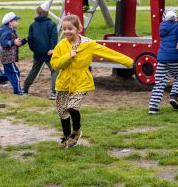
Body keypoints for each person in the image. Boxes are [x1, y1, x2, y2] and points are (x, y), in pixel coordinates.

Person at [51, 15, 134, 148]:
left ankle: (76, 132)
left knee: (72, 107)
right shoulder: (61, 46)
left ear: (79, 29)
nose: (66, 31)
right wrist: (68, 56)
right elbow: (55, 64)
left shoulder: (88, 45)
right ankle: (66, 136)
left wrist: (129, 61)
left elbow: (108, 53)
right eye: (64, 28)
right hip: (63, 83)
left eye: (70, 28)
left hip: (81, 82)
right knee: (62, 111)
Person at [148, 9, 178, 114]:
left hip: (162, 59)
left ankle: (153, 107)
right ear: (176, 18)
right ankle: (173, 96)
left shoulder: (162, 27)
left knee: (159, 82)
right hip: (174, 58)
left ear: (163, 18)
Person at [23, 3, 59, 99]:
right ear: (47, 13)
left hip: (37, 52)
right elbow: (54, 38)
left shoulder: (32, 25)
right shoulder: (52, 24)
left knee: (34, 71)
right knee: (54, 71)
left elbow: (30, 39)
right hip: (49, 52)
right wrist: (52, 48)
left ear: (37, 13)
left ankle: (25, 89)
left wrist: (33, 49)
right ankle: (54, 93)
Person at [0, 12, 25, 95]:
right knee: (15, 73)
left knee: (8, 74)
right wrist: (13, 42)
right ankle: (18, 91)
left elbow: (14, 43)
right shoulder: (7, 32)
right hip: (7, 57)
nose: (17, 22)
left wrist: (22, 41)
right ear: (10, 22)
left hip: (8, 56)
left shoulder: (9, 30)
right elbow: (4, 42)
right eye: (16, 20)